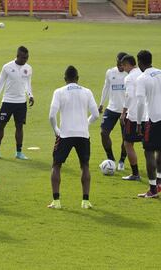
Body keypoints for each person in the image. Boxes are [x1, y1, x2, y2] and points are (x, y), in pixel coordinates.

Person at [48, 66, 99, 209]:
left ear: (65, 79)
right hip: (83, 134)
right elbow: (95, 114)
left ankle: (56, 201)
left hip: (65, 134)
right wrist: (86, 124)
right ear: (78, 79)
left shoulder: (59, 92)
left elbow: (52, 115)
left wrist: (56, 130)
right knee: (85, 166)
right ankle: (85, 201)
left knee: (56, 165)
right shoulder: (87, 92)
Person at [0, 46, 34, 160]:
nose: (25, 60)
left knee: (19, 127)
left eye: (27, 58)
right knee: (0, 126)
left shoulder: (28, 68)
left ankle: (19, 152)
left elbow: (28, 83)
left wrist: (30, 95)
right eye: (23, 58)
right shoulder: (7, 67)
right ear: (17, 56)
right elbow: (0, 82)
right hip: (7, 101)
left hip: (21, 103)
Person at [136, 50, 161, 198]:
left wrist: (139, 123)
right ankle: (159, 182)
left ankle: (152, 189)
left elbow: (139, 102)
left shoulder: (142, 78)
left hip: (152, 118)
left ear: (139, 62)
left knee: (149, 152)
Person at [99, 52, 128, 170]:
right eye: (119, 63)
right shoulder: (110, 72)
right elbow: (106, 87)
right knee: (103, 133)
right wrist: (101, 103)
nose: (121, 66)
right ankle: (110, 158)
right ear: (117, 62)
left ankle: (122, 160)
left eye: (123, 64)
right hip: (111, 108)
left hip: (126, 110)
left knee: (126, 138)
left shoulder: (130, 74)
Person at [120, 55, 145, 181]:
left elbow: (129, 96)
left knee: (128, 144)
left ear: (128, 64)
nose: (123, 68)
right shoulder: (143, 73)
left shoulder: (129, 78)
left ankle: (135, 174)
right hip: (149, 116)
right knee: (150, 146)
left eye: (123, 65)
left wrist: (123, 112)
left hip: (135, 116)